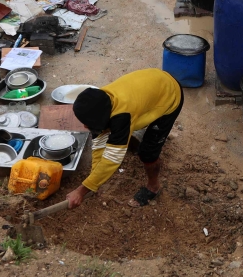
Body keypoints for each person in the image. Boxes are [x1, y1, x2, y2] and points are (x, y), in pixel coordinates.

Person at [67, 68, 183, 209]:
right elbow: (98, 143)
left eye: (88, 123)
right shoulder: (99, 101)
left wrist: (81, 190)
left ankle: (153, 187)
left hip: (169, 94)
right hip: (152, 83)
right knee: (119, 131)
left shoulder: (121, 116)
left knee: (148, 153)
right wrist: (93, 183)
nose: (85, 126)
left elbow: (112, 159)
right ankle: (133, 134)